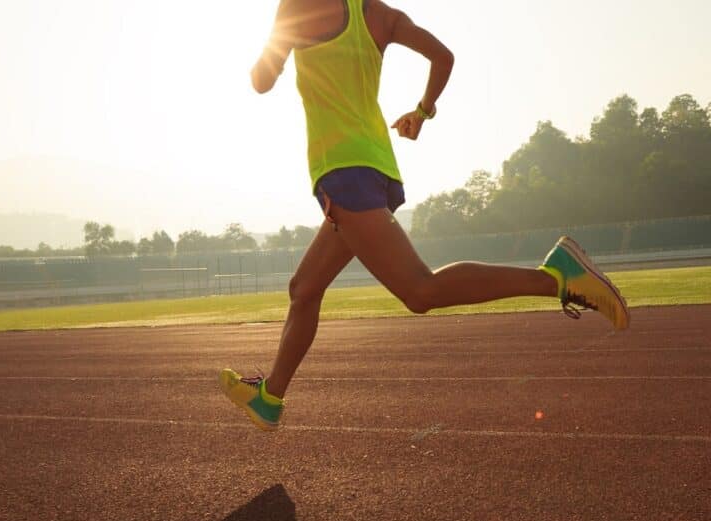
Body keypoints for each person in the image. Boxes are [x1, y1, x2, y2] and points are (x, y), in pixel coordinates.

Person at [221, 0, 629, 431]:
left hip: (345, 174)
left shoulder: (296, 8)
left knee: (420, 291)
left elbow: (262, 81)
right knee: (304, 289)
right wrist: (422, 112)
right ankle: (271, 398)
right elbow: (443, 56)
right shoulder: (376, 14)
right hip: (376, 168)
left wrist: (279, 38)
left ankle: (556, 277)